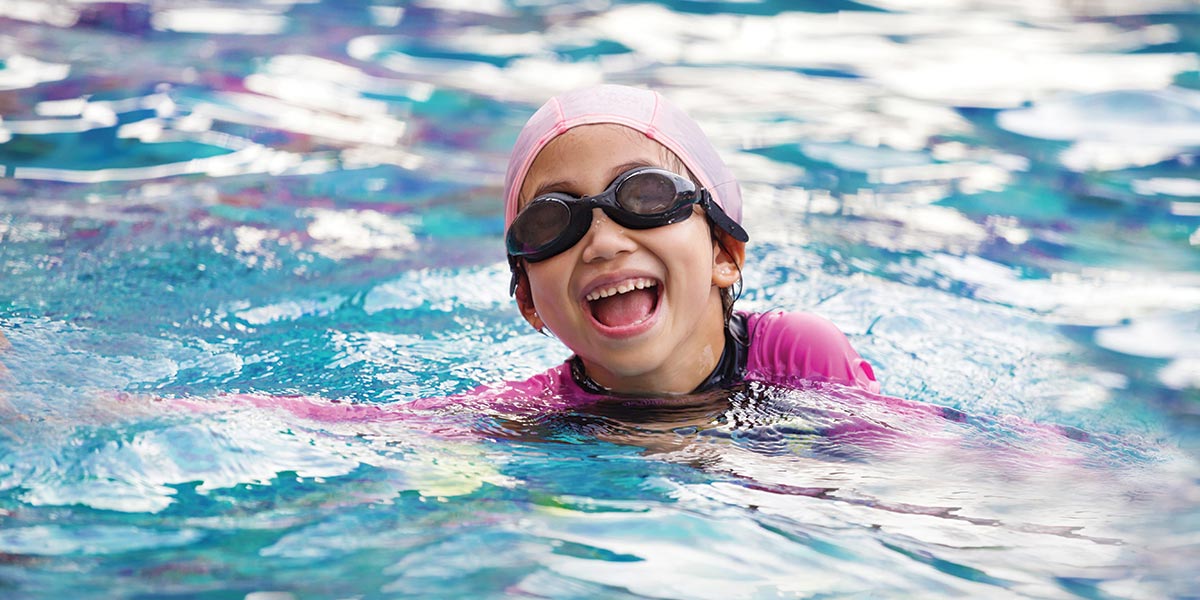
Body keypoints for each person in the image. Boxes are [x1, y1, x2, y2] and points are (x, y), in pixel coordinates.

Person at [486, 84, 879, 403]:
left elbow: (896, 468)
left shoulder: (796, 358)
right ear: (527, 299)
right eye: (551, 222)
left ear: (723, 252)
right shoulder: (526, 417)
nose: (603, 243)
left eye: (646, 196)